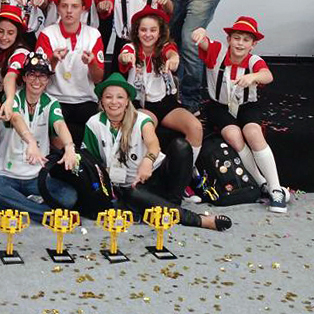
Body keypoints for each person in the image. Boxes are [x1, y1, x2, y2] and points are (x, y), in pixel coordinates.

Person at [82, 73, 232, 231]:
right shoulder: (94, 124)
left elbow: (153, 144)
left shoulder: (140, 119)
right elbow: (91, 160)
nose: (114, 102)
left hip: (156, 175)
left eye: (120, 97)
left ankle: (169, 205)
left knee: (181, 146)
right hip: (131, 186)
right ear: (101, 101)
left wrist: (148, 160)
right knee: (133, 194)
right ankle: (197, 219)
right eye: (108, 97)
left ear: (127, 101)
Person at [192, 17, 288, 213]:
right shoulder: (217, 52)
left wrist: (253, 76)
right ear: (229, 39)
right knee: (233, 135)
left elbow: (268, 76)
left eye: (246, 40)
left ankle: (275, 188)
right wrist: (199, 32)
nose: (240, 43)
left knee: (253, 133)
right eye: (236, 38)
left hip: (246, 106)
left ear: (253, 45)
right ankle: (261, 182)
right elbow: (202, 41)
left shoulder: (253, 60)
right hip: (219, 106)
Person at [118, 6, 203, 197]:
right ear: (137, 31)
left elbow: (172, 55)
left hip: (165, 102)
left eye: (153, 30)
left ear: (160, 32)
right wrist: (126, 58)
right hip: (141, 104)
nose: (148, 34)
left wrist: (173, 60)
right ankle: (147, 177)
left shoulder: (165, 47)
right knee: (145, 127)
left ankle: (185, 176)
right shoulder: (131, 47)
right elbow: (123, 56)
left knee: (195, 127)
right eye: (143, 30)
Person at [0, 53, 78, 221]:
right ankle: (45, 214)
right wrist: (31, 141)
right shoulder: (11, 99)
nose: (37, 80)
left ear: (48, 80)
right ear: (25, 78)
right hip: (6, 175)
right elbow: (15, 118)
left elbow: (59, 124)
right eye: (32, 74)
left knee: (69, 196)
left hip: (36, 178)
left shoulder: (51, 102)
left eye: (42, 76)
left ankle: (14, 206)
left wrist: (69, 147)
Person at [35, 0, 105, 146]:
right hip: (55, 99)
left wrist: (92, 63)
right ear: (58, 9)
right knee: (59, 142)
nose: (69, 11)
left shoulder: (93, 34)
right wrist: (53, 60)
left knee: (93, 141)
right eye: (64, 6)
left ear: (83, 9)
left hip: (86, 99)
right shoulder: (47, 34)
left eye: (74, 6)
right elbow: (39, 76)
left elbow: (98, 78)